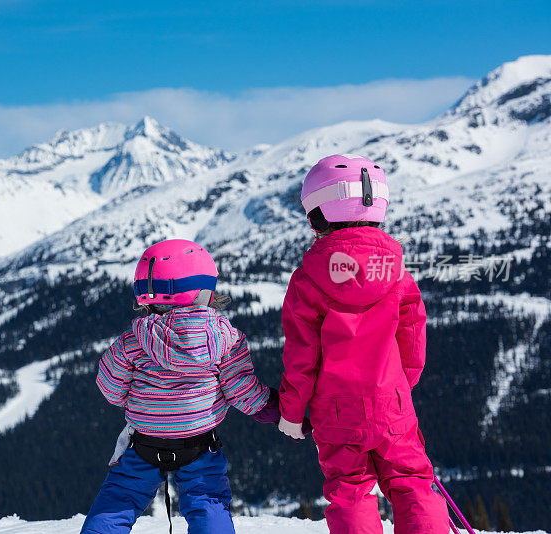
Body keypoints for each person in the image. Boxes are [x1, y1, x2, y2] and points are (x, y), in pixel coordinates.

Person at [277, 155, 450, 534]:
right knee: (412, 483)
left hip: (336, 411)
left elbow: (301, 359)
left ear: (316, 216)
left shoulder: (306, 281)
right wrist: (400, 386)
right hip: (393, 403)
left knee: (350, 490)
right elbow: (413, 339)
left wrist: (291, 413)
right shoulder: (397, 272)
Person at [81, 238, 280, 534]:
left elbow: (110, 387)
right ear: (204, 290)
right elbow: (242, 391)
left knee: (118, 500)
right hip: (199, 444)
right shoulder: (226, 340)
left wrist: (135, 400)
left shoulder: (132, 342)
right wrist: (278, 410)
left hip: (144, 442)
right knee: (207, 501)